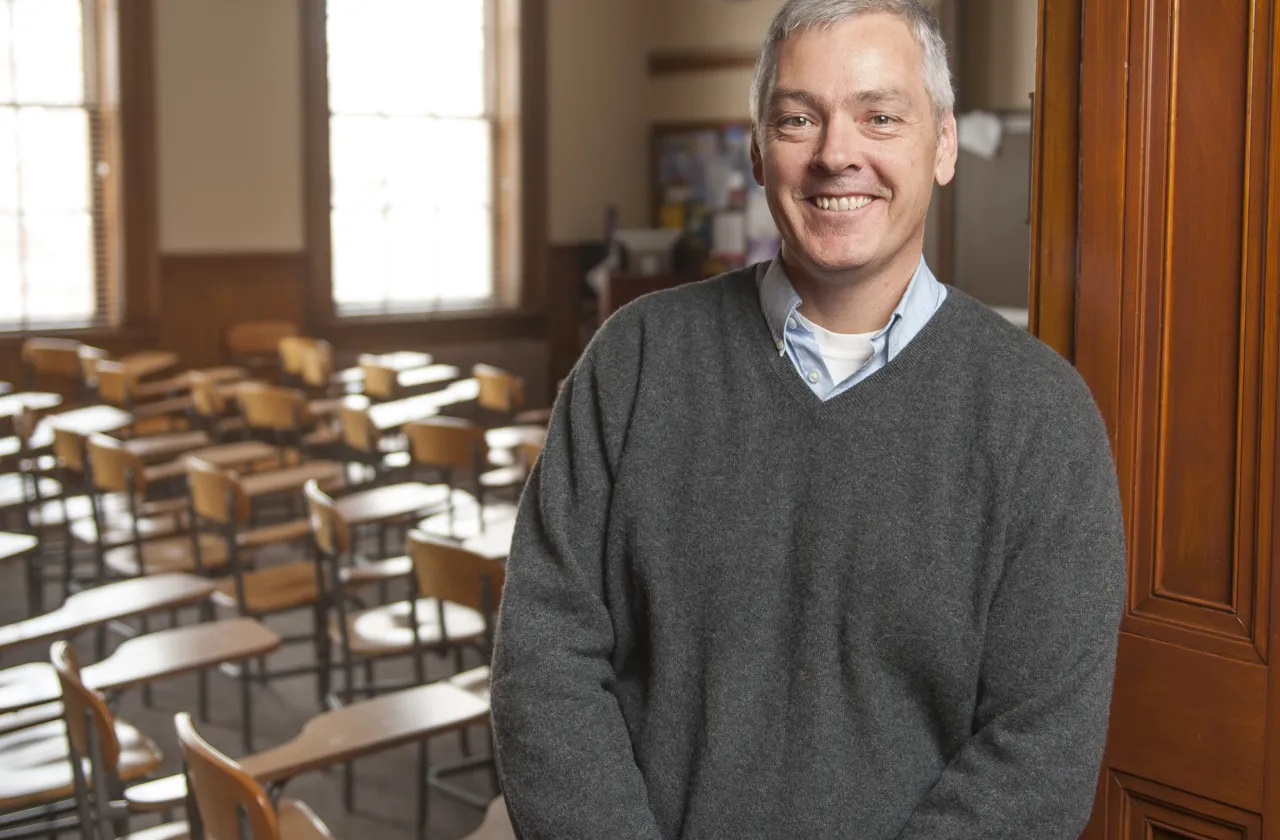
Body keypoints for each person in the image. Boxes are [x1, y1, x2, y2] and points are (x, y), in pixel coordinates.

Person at [490, 0, 1125, 837]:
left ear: (941, 146)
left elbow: (1037, 757)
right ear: (757, 149)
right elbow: (544, 655)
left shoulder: (1041, 420)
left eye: (881, 116)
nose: (837, 154)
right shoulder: (635, 360)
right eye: (798, 118)